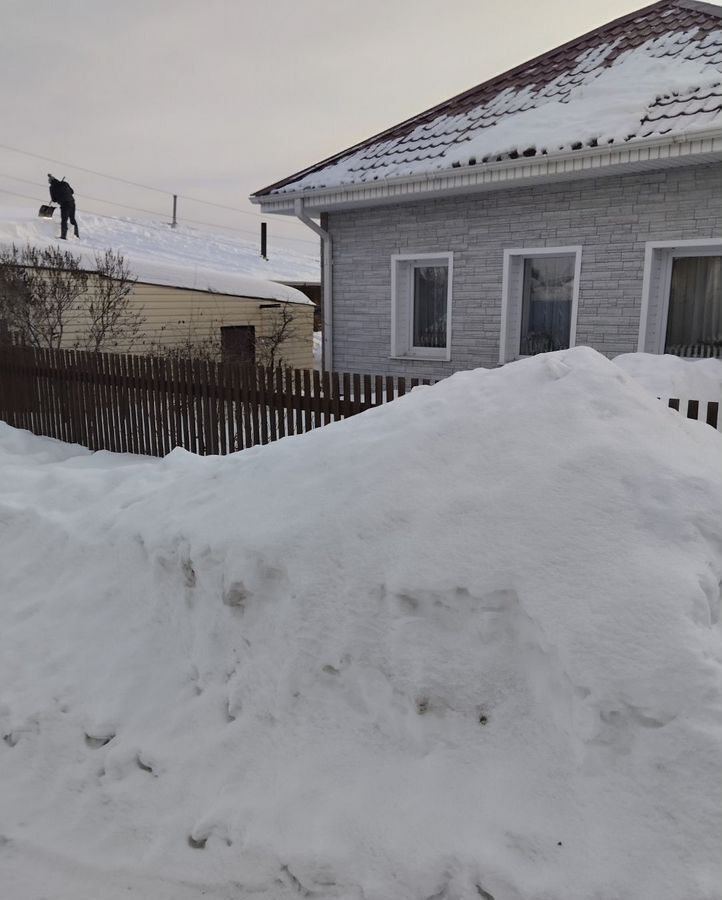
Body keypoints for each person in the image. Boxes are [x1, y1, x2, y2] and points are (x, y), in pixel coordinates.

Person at [47, 174, 79, 240]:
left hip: (65, 205)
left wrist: (58, 194)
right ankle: (76, 235)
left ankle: (63, 236)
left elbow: (54, 199)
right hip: (72, 203)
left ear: (50, 182)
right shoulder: (64, 183)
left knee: (64, 221)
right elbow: (72, 192)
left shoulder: (52, 187)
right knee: (72, 219)